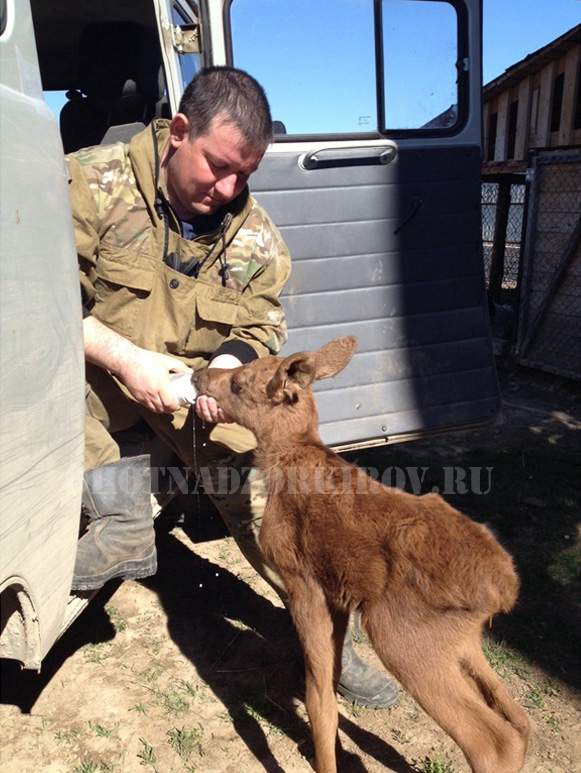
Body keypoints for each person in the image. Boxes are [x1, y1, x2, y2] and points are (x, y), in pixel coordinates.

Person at [67, 66, 398, 709]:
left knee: (263, 507)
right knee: (42, 383)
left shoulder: (258, 240)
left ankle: (331, 636)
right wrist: (128, 359)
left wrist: (227, 368)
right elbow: (37, 298)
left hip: (201, 391)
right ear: (178, 133)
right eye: (218, 167)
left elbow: (260, 324)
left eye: (245, 174)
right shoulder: (88, 184)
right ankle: (121, 514)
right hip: (102, 376)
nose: (228, 188)